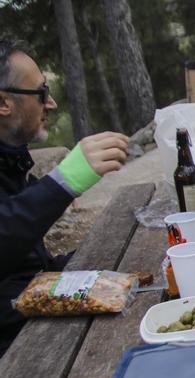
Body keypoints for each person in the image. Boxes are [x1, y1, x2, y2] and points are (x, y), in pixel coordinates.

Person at [0, 39, 129, 354]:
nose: (51, 103)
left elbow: (26, 268)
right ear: (4, 103)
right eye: (41, 93)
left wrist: (104, 263)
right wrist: (63, 181)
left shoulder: (11, 162)